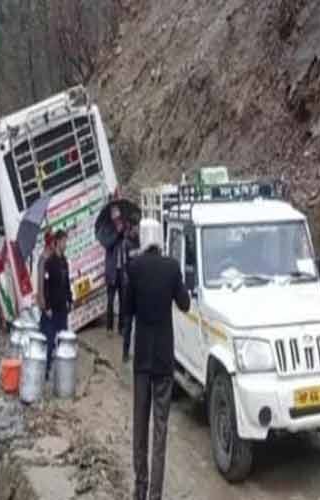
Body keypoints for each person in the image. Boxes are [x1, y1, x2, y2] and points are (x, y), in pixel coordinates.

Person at [125, 241, 190, 500]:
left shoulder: (135, 267)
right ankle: (155, 495)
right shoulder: (172, 268)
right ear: (160, 243)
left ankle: (139, 488)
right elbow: (185, 304)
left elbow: (127, 310)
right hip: (164, 362)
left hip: (142, 360)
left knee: (140, 425)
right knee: (160, 430)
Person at [42, 229, 73, 380]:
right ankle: (46, 370)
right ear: (58, 242)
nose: (66, 244)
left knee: (62, 340)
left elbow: (67, 282)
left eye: (66, 241)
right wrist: (47, 306)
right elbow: (45, 285)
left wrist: (70, 299)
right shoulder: (49, 262)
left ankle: (61, 371)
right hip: (52, 308)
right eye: (64, 241)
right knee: (49, 340)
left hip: (63, 307)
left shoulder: (64, 262)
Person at [119, 222, 140, 363]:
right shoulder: (125, 244)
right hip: (128, 289)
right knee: (128, 324)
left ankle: (138, 352)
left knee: (139, 324)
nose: (137, 230)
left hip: (138, 287)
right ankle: (125, 352)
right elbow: (124, 266)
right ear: (131, 228)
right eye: (136, 227)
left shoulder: (140, 242)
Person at [104, 206, 125, 334]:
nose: (117, 220)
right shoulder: (109, 231)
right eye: (115, 218)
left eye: (118, 218)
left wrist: (123, 232)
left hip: (121, 270)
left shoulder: (124, 231)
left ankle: (121, 327)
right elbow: (108, 243)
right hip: (111, 271)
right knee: (110, 301)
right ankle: (109, 327)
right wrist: (117, 232)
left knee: (123, 300)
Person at [36, 230, 55, 368]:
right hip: (47, 306)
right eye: (54, 242)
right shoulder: (44, 261)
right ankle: (46, 366)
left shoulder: (50, 259)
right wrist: (46, 306)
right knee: (47, 337)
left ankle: (44, 365)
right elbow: (41, 286)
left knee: (46, 335)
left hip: (51, 305)